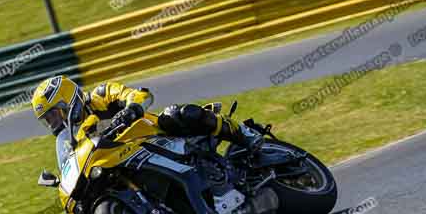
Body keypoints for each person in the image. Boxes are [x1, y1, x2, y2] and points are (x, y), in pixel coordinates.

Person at [30, 75, 263, 152]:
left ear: (69, 101)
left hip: (158, 134)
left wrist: (131, 109)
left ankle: (245, 135)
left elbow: (140, 95)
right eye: (48, 120)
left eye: (54, 115)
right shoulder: (74, 136)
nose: (54, 124)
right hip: (125, 157)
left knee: (177, 114)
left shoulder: (101, 95)